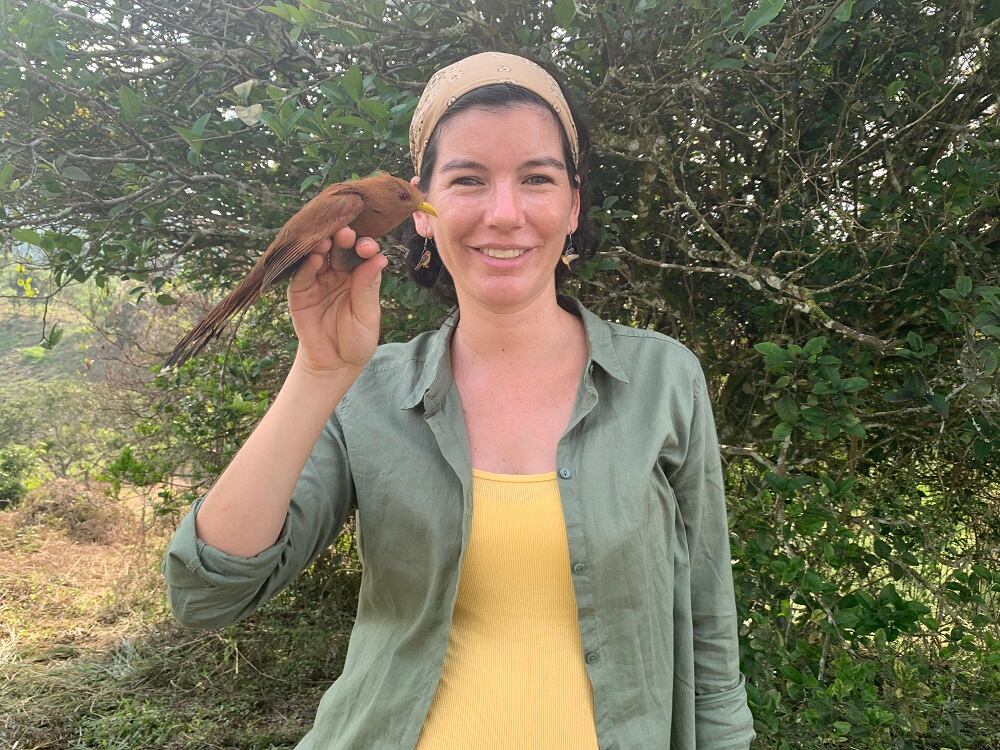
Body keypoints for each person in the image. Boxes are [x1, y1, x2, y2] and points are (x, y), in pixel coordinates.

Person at [162, 51, 756, 749]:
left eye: (536, 179)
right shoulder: (369, 391)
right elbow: (208, 594)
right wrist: (320, 373)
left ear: (572, 206)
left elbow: (709, 623)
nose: (504, 214)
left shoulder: (663, 378)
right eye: (469, 179)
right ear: (423, 207)